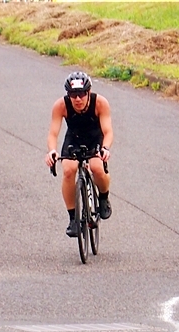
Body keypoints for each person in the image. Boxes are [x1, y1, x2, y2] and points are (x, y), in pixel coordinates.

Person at [45, 71, 113, 237]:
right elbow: (53, 133)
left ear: (88, 92)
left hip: (95, 138)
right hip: (74, 138)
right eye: (73, 95)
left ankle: (103, 198)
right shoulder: (60, 106)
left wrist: (105, 148)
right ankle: (73, 219)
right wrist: (52, 151)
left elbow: (108, 131)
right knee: (68, 170)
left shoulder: (100, 103)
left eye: (81, 94)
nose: (77, 99)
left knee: (97, 168)